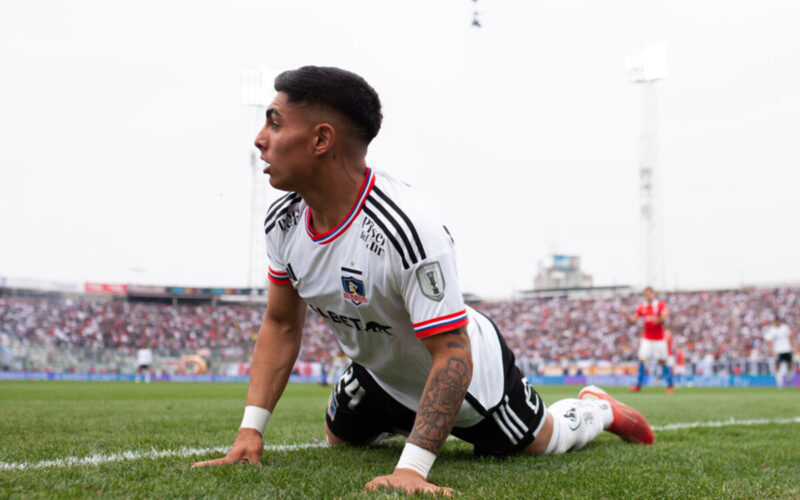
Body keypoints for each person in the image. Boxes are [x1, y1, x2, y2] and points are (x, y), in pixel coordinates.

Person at [191, 66, 654, 496]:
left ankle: (597, 408)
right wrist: (250, 431)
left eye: (274, 122)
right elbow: (281, 324)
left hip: (470, 377)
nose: (259, 139)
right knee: (340, 441)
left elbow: (452, 351)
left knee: (541, 442)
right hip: (378, 372)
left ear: (321, 140)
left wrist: (412, 468)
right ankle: (399, 413)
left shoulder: (408, 229)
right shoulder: (283, 220)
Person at [621, 287, 673, 393]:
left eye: (649, 294)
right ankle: (638, 385)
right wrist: (627, 317)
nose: (647, 296)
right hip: (647, 339)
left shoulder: (660, 305)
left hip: (659, 339)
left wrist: (658, 319)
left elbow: (664, 318)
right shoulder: (641, 307)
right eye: (645, 294)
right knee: (641, 359)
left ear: (653, 294)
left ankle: (670, 385)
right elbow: (634, 320)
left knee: (662, 361)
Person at [763, 317, 794, 389]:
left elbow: (789, 337)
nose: (777, 323)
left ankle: (789, 381)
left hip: (787, 349)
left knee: (789, 365)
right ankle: (779, 383)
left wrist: (793, 347)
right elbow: (769, 340)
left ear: (780, 321)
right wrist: (771, 350)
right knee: (778, 366)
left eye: (778, 322)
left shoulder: (785, 328)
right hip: (778, 350)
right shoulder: (772, 329)